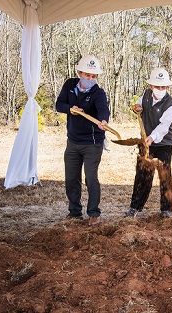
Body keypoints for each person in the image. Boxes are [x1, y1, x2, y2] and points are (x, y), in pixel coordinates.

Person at [56, 55, 110, 226]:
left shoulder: (98, 93)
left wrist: (103, 121)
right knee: (71, 178)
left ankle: (94, 213)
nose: (91, 79)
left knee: (91, 177)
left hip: (92, 142)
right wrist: (69, 109)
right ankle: (74, 211)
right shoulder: (69, 85)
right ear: (79, 72)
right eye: (87, 75)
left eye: (94, 76)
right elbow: (59, 104)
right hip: (73, 141)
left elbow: (103, 110)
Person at [124, 68, 172, 218]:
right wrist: (137, 108)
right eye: (157, 86)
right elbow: (139, 106)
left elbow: (163, 127)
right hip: (145, 142)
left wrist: (152, 137)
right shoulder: (146, 95)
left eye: (163, 87)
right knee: (142, 175)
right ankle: (135, 207)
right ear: (151, 86)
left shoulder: (171, 105)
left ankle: (167, 209)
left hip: (163, 143)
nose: (160, 89)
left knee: (165, 175)